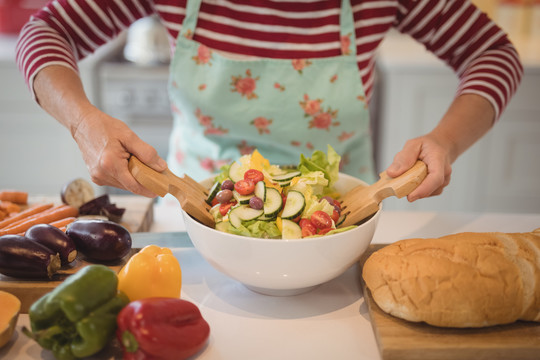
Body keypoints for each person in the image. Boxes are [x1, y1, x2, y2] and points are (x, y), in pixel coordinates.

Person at [15, 0, 522, 202]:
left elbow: (493, 52)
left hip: (338, 216)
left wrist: (445, 142)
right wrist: (84, 123)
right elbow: (44, 30)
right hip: (201, 211)